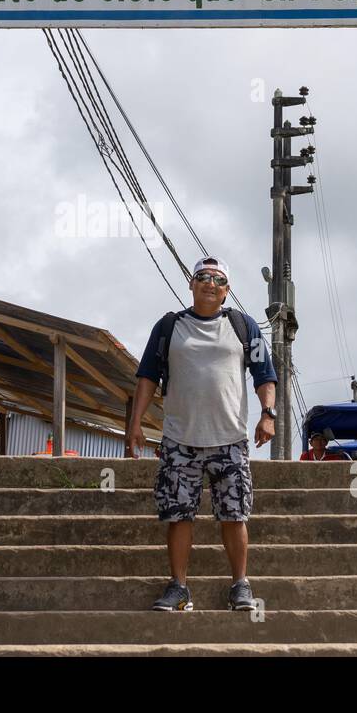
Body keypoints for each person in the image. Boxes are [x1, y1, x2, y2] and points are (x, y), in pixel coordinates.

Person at [125, 256, 277, 613]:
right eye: (202, 277)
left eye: (218, 279)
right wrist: (135, 423)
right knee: (178, 515)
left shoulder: (243, 326)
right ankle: (178, 587)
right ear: (191, 284)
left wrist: (267, 414)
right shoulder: (169, 327)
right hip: (180, 440)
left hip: (230, 439)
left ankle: (240, 585)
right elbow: (147, 376)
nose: (210, 283)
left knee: (235, 514)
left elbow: (264, 374)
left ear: (227, 291)